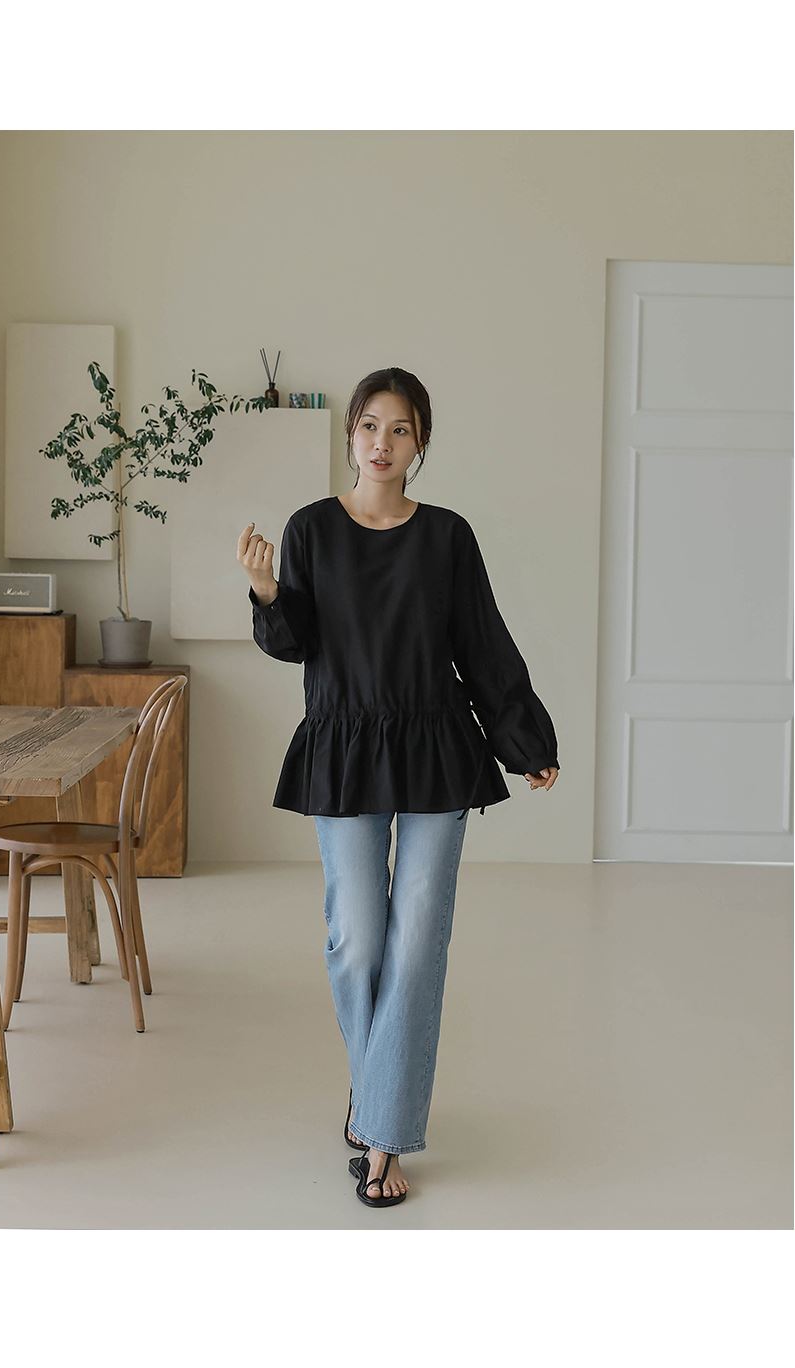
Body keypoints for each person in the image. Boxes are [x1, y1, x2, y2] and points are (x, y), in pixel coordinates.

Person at [237, 367, 559, 1208]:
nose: (382, 443)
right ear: (350, 434)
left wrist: (522, 740)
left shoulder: (446, 535)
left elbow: (481, 642)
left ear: (420, 444)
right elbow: (294, 642)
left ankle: (381, 1138)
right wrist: (267, 590)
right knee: (356, 940)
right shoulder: (310, 528)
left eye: (401, 429)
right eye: (370, 426)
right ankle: (375, 1088)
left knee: (417, 942)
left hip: (433, 749)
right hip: (344, 744)